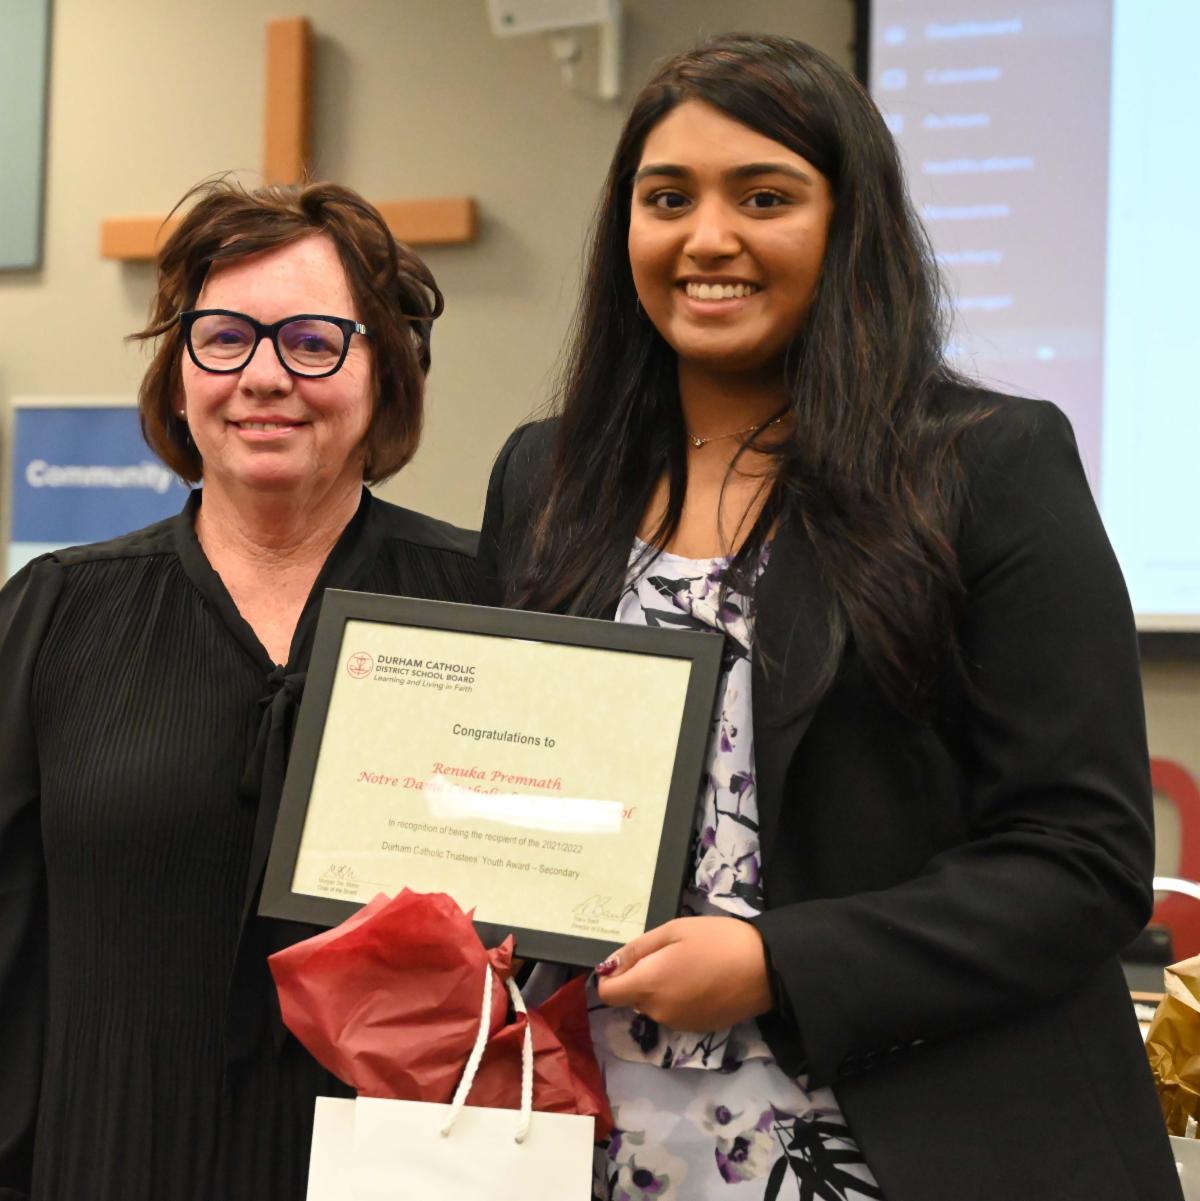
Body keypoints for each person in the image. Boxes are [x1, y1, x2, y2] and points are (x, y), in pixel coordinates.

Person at [480, 33, 1179, 1201]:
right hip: (608, 1143)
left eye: (765, 197)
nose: (708, 237)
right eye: (667, 199)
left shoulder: (987, 464)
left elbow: (1084, 857)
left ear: (849, 225)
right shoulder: (546, 477)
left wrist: (776, 961)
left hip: (919, 1142)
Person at [0, 179, 482, 1201]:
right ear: (179, 375)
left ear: (384, 371)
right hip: (108, 1157)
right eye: (225, 337)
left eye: (312, 342)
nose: (265, 376)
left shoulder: (491, 605)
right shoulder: (53, 615)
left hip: (401, 1170)